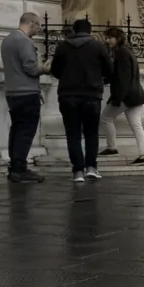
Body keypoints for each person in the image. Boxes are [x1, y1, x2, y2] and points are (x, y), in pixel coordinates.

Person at [50, 18, 113, 183]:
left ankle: (77, 171)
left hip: (68, 96)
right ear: (90, 31)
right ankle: (91, 167)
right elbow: (109, 69)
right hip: (91, 96)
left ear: (74, 30)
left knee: (73, 134)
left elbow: (55, 70)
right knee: (91, 133)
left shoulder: (63, 47)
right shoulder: (98, 46)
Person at [0, 12, 50, 183]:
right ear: (31, 23)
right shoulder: (25, 41)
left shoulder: (7, 40)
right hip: (26, 93)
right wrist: (45, 68)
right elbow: (31, 69)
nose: (39, 30)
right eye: (38, 26)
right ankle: (20, 169)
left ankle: (14, 167)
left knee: (16, 130)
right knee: (26, 132)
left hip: (12, 92)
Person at [100, 27, 144, 164]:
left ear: (117, 38)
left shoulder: (121, 53)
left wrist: (117, 98)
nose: (107, 41)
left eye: (109, 37)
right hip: (136, 94)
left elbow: (122, 77)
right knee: (136, 125)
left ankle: (112, 148)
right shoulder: (128, 51)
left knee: (105, 118)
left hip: (126, 95)